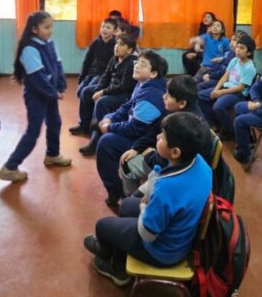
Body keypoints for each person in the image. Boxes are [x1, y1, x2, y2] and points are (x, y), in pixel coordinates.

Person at [84, 112, 213, 287]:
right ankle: (119, 250)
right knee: (126, 206)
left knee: (102, 226)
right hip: (182, 235)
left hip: (162, 251)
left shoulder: (166, 187)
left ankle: (114, 266)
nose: (158, 137)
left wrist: (145, 208)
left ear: (175, 152)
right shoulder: (200, 163)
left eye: (163, 137)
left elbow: (147, 233)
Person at [0, 12, 71, 183]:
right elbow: (38, 79)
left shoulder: (50, 43)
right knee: (33, 132)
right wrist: (54, 93)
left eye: (51, 27)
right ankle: (10, 167)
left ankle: (52, 155)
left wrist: (61, 86)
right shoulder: (29, 49)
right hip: (36, 96)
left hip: (49, 93)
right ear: (34, 29)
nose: (50, 31)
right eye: (46, 27)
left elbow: (58, 65)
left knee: (55, 123)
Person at [96, 50, 168, 206]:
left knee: (106, 143)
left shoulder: (152, 95)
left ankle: (116, 191)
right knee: (105, 123)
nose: (136, 66)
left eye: (142, 64)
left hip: (145, 140)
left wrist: (110, 128)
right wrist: (111, 118)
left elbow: (135, 129)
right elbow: (128, 105)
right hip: (140, 132)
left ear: (153, 73)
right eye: (137, 62)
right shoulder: (143, 84)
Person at [118, 75, 207, 197]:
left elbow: (167, 161)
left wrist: (148, 154)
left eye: (169, 95)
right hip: (168, 162)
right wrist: (137, 148)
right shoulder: (181, 111)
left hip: (172, 172)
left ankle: (132, 202)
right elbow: (156, 130)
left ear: (182, 103)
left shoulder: (182, 126)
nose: (163, 96)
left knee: (126, 167)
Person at [73, 34, 138, 144]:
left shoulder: (132, 63)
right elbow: (105, 76)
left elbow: (123, 86)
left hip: (124, 94)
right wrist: (98, 89)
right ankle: (84, 125)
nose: (116, 46)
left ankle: (96, 139)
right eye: (117, 43)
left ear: (130, 50)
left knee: (102, 102)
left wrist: (102, 92)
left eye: (121, 45)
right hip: (112, 89)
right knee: (86, 91)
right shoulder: (114, 59)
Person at [198, 35, 257, 141]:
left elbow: (240, 87)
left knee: (218, 106)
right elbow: (225, 76)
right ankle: (215, 124)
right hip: (226, 88)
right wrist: (216, 89)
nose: (237, 50)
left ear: (249, 52)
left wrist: (220, 93)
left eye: (242, 48)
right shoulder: (234, 60)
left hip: (238, 94)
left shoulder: (250, 67)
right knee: (200, 96)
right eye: (237, 47)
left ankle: (230, 131)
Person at [69, 18, 118, 134]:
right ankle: (86, 122)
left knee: (87, 93)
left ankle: (86, 125)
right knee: (80, 92)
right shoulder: (96, 42)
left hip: (103, 75)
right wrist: (82, 77)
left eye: (108, 27)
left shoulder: (115, 45)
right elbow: (87, 61)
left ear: (114, 31)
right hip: (92, 73)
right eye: (103, 27)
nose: (104, 30)